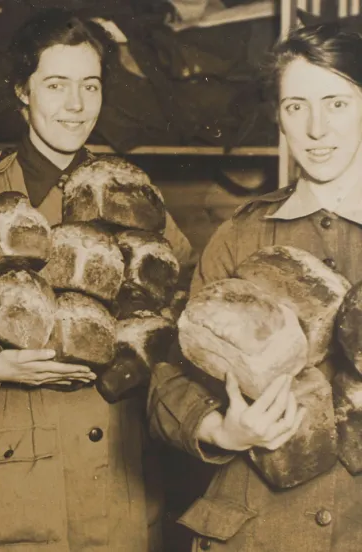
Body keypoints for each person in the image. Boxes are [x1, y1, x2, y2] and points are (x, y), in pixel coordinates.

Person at [0, 9, 193, 551]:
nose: (75, 105)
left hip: (117, 467)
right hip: (16, 466)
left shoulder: (125, 189)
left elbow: (183, 285)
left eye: (89, 85)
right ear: (22, 91)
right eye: (56, 85)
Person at [148, 23, 362, 552]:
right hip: (259, 532)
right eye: (296, 106)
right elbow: (168, 382)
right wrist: (223, 430)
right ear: (278, 116)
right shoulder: (241, 235)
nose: (316, 128)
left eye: (336, 103)